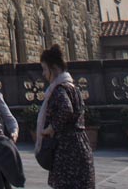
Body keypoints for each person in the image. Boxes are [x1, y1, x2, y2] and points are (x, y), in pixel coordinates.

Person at [36, 44, 95, 189]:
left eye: (44, 69)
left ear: (53, 68)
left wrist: (51, 127)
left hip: (68, 151)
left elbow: (66, 108)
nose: (43, 74)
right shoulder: (72, 87)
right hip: (80, 145)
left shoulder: (60, 89)